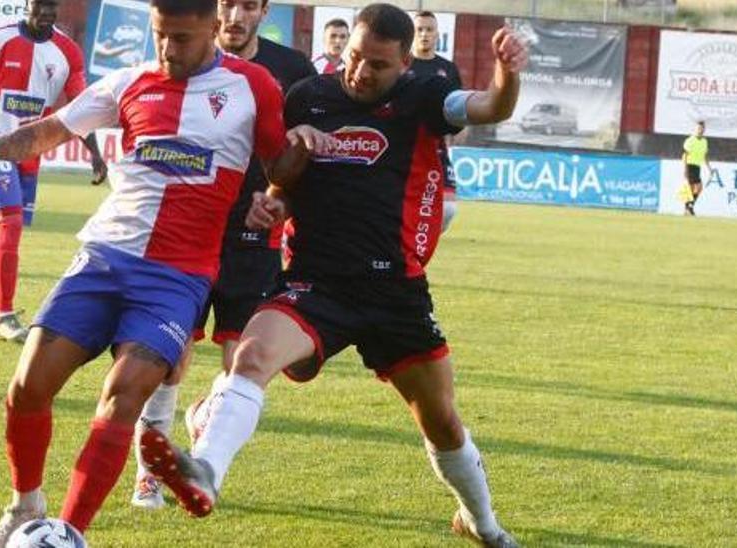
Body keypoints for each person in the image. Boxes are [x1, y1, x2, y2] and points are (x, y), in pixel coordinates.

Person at [140, 4, 527, 547]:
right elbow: (286, 179)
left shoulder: (424, 95)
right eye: (353, 58)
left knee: (440, 420)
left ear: (402, 66)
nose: (360, 72)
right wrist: (274, 202)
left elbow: (489, 106)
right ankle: (204, 469)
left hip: (395, 291)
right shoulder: (309, 97)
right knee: (250, 357)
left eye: (377, 65)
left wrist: (508, 74)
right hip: (316, 281)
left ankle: (481, 523)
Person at [0, 0, 317, 543]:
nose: (169, 48)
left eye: (183, 37)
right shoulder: (129, 81)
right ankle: (26, 506)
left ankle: (69, 532)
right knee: (26, 386)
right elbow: (50, 129)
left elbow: (277, 166)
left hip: (177, 276)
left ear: (213, 30)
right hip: (103, 257)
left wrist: (294, 160)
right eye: (160, 34)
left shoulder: (251, 84)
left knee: (123, 396)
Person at [127, 0, 316, 511]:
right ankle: (148, 474)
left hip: (251, 242)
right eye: (227, 4)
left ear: (263, 11)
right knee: (168, 359)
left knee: (243, 362)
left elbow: (295, 161)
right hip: (186, 234)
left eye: (247, 5)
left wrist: (277, 198)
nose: (235, 15)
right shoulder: (180, 56)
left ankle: (209, 414)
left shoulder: (291, 72)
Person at [0, 0, 109, 343]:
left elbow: (80, 108)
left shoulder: (67, 52)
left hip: (30, 152)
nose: (45, 13)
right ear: (27, 4)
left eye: (51, 7)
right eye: (39, 6)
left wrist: (96, 154)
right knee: (10, 223)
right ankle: (5, 315)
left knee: (9, 233)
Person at [410, 10, 463, 232]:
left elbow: (458, 108)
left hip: (436, 146)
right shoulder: (402, 64)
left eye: (429, 30)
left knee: (448, 208)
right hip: (406, 145)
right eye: (419, 30)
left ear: (437, 34)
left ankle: (421, 237)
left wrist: (455, 134)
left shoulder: (447, 69)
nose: (424, 34)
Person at [681, 121, 711, 216]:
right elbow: (685, 155)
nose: (700, 130)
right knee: (697, 187)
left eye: (702, 129)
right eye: (698, 128)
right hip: (690, 165)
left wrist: (709, 168)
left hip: (697, 166)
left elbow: (704, 156)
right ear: (695, 129)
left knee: (696, 188)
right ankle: (689, 207)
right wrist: (685, 168)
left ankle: (688, 208)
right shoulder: (690, 140)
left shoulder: (704, 142)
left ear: (704, 130)